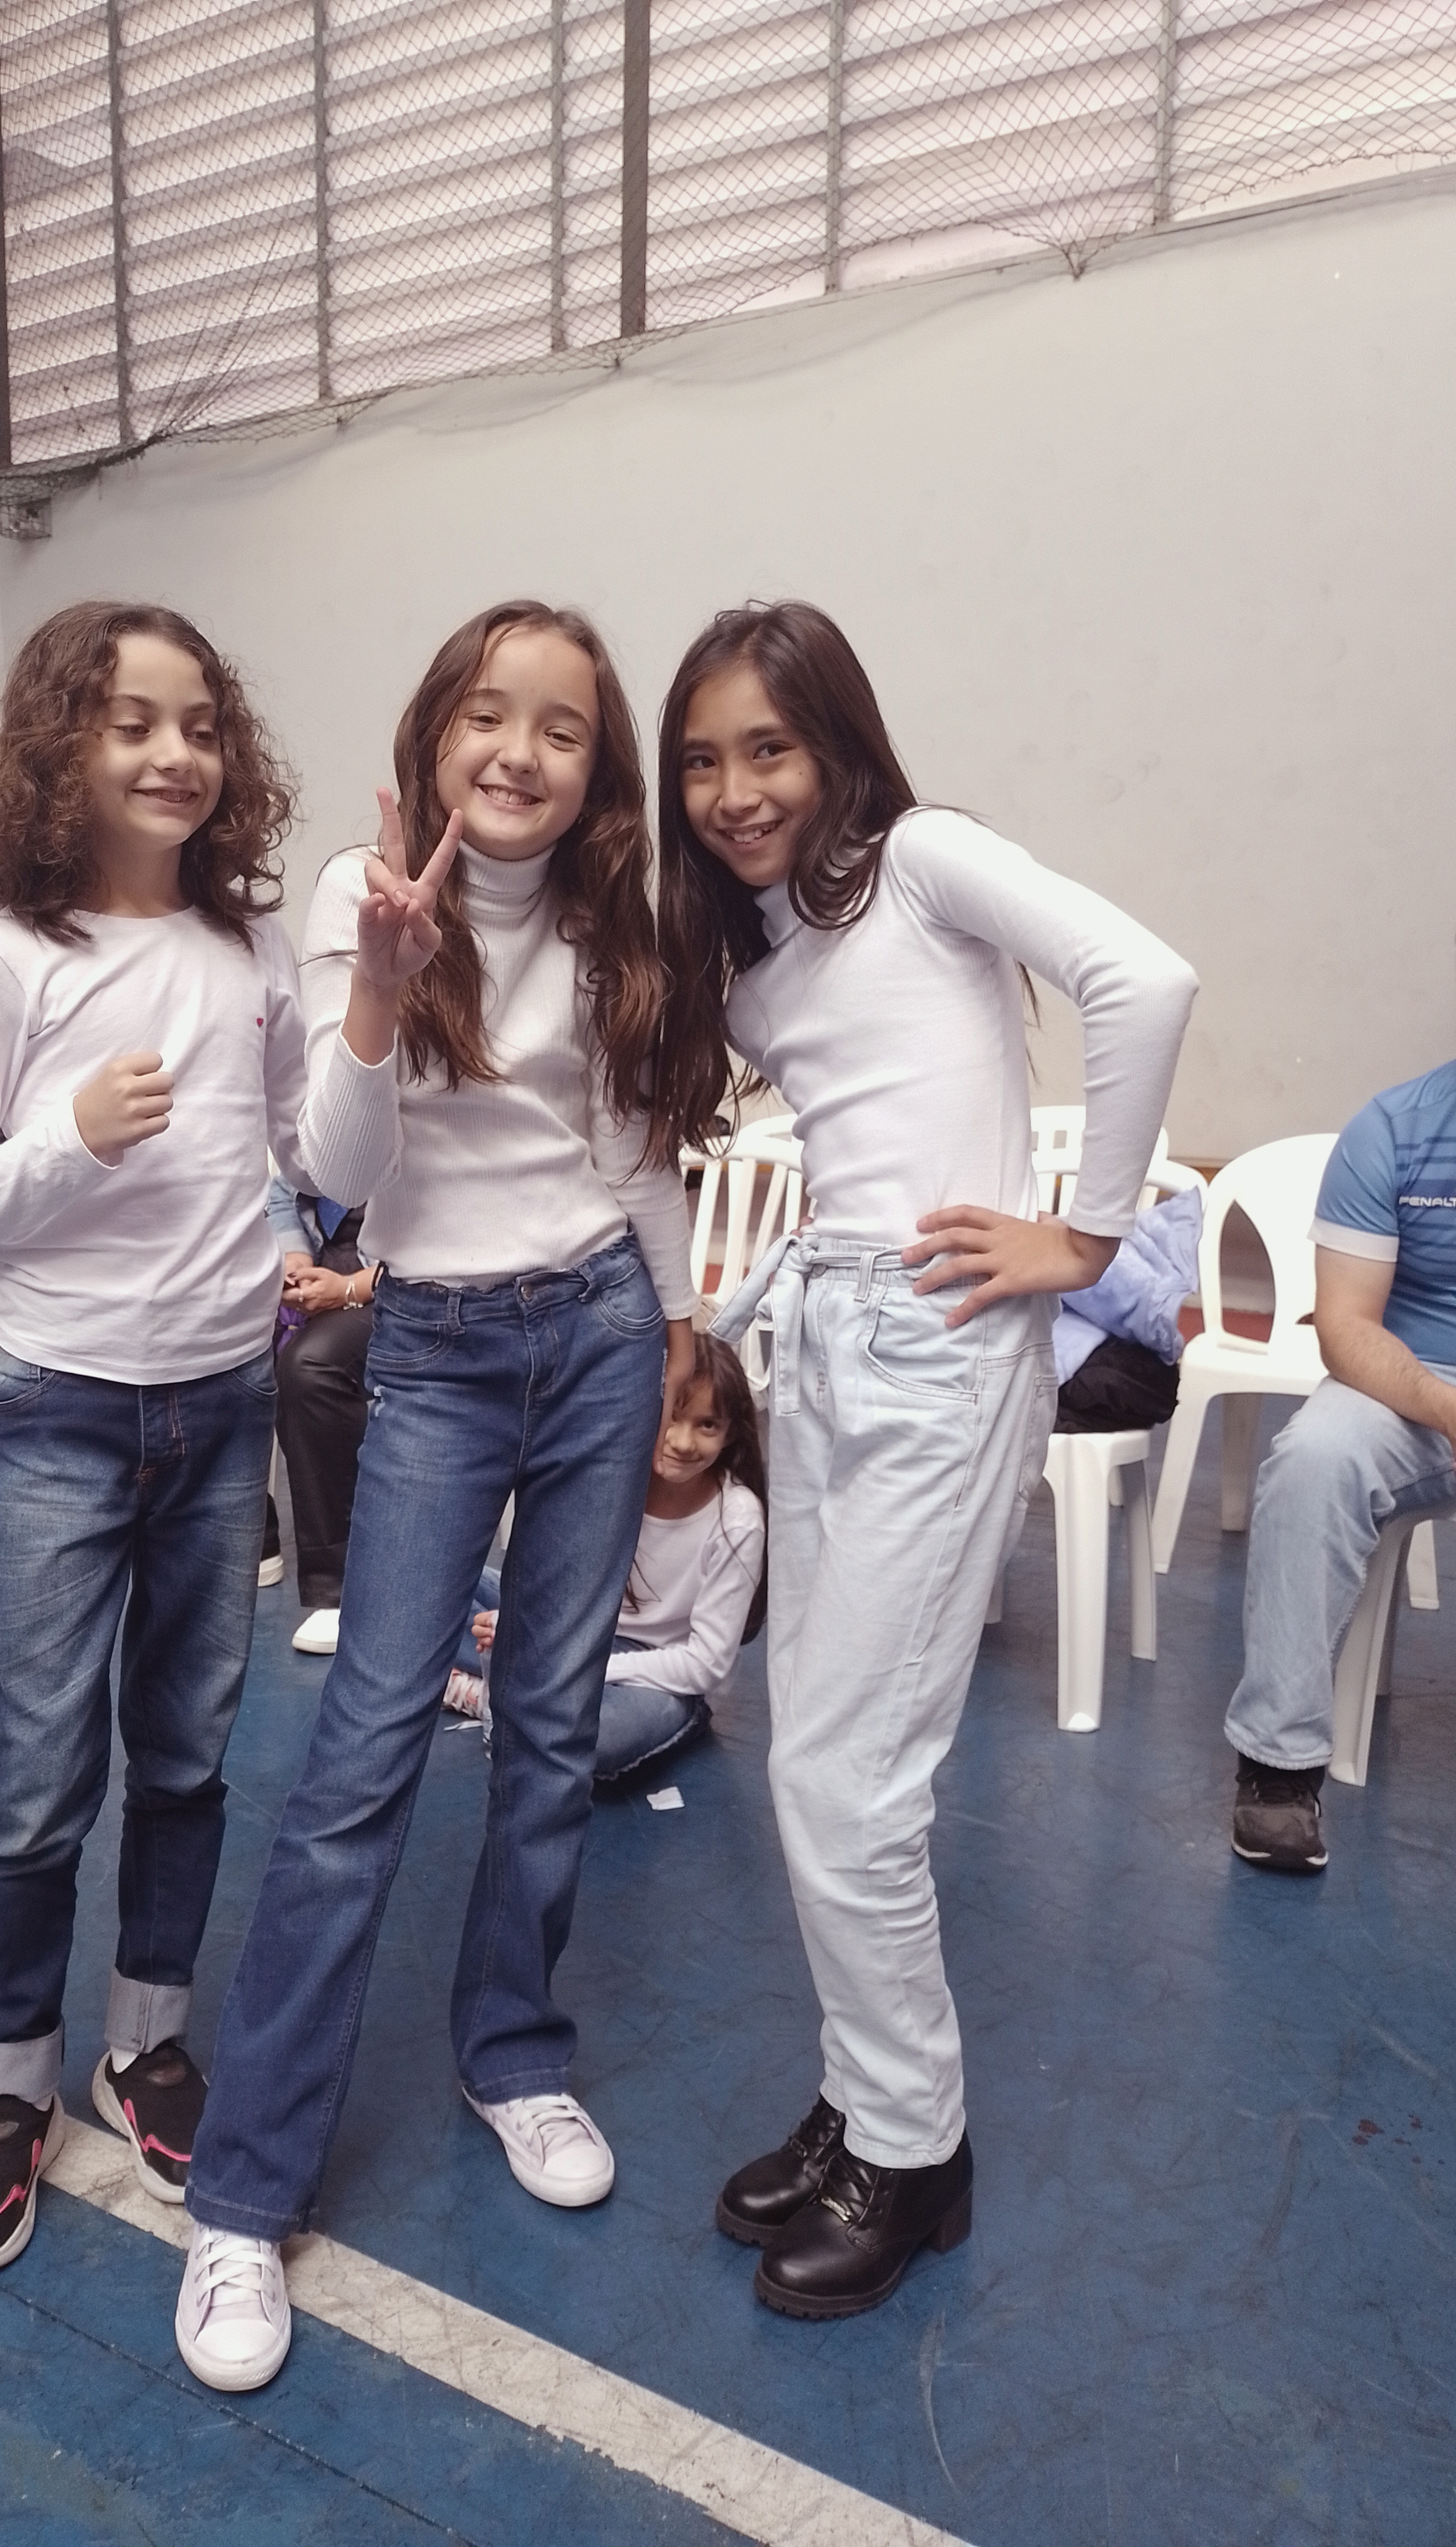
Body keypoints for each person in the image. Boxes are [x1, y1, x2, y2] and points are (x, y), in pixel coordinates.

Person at [174, 599, 696, 2393]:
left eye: (561, 726)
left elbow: (632, 1155)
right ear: (434, 730)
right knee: (365, 1751)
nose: (518, 750)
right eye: (489, 711)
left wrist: (678, 1333)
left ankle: (513, 2053)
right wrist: (384, 986)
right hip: (443, 1349)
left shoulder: (613, 912)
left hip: (599, 1329)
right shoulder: (366, 890)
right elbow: (335, 1173)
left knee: (550, 1721)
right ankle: (243, 2196)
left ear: (596, 766)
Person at [651, 602, 1196, 2320]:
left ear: (836, 744)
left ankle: (913, 2151)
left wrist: (1084, 1236)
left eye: (769, 748)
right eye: (702, 761)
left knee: (848, 1779)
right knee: (818, 1756)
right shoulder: (750, 946)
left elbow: (1143, 981)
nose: (736, 789)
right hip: (825, 1334)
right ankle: (865, 2096)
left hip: (940, 1346)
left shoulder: (923, 859)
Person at [0, 600, 306, 2276]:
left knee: (189, 1754)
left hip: (223, 1405)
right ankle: (11, 2087)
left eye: (200, 723)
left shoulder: (250, 948)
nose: (174, 753)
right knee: (40, 1773)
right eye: (133, 721)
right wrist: (67, 1135)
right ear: (61, 743)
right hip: (59, 1408)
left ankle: (146, 2043)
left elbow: (306, 1140)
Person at [1225, 1064, 1456, 1873]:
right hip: (1416, 1387)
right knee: (1314, 1459)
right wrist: (1445, 1406)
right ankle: (1278, 1768)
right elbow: (1347, 1327)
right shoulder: (1394, 1130)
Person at [448, 1330, 766, 1785]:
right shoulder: (614, 1475)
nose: (682, 1441)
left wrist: (572, 1664)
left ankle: (485, 1694)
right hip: (580, 1634)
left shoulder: (737, 1519)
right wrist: (522, 1623)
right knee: (431, 1584)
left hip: (662, 1677)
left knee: (596, 1740)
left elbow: (705, 1665)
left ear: (732, 1432)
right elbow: (561, 1586)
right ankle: (520, 1692)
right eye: (671, 1415)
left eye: (707, 1425)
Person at [264, 1174, 377, 1654]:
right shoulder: (318, 1135)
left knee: (310, 1367)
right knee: (221, 1337)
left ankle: (343, 1587)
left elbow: (442, 1238)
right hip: (327, 1280)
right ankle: (255, 1535)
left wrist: (350, 1288)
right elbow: (283, 1191)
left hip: (404, 1290)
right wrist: (295, 1260)